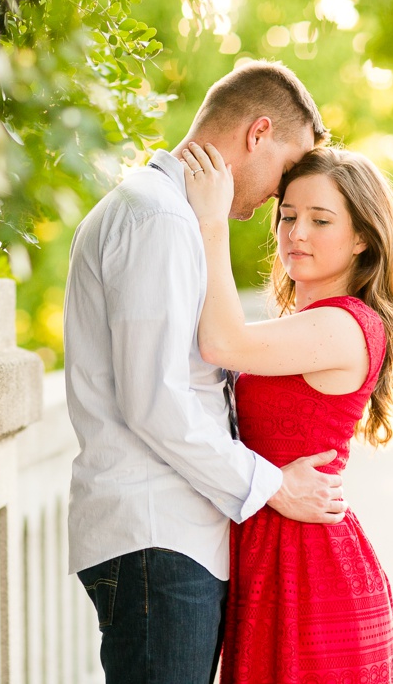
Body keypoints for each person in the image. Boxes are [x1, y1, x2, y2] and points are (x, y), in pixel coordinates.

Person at [63, 61, 347, 684]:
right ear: (258, 133)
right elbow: (154, 401)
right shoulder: (159, 219)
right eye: (283, 175)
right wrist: (274, 487)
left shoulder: (165, 213)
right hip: (157, 538)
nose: (280, 196)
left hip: (170, 538)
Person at [179, 142, 393, 684]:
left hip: (311, 572)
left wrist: (213, 220)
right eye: (286, 216)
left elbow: (219, 341)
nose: (296, 232)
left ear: (362, 237)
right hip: (274, 554)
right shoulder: (305, 322)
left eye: (320, 219)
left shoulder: (344, 325)